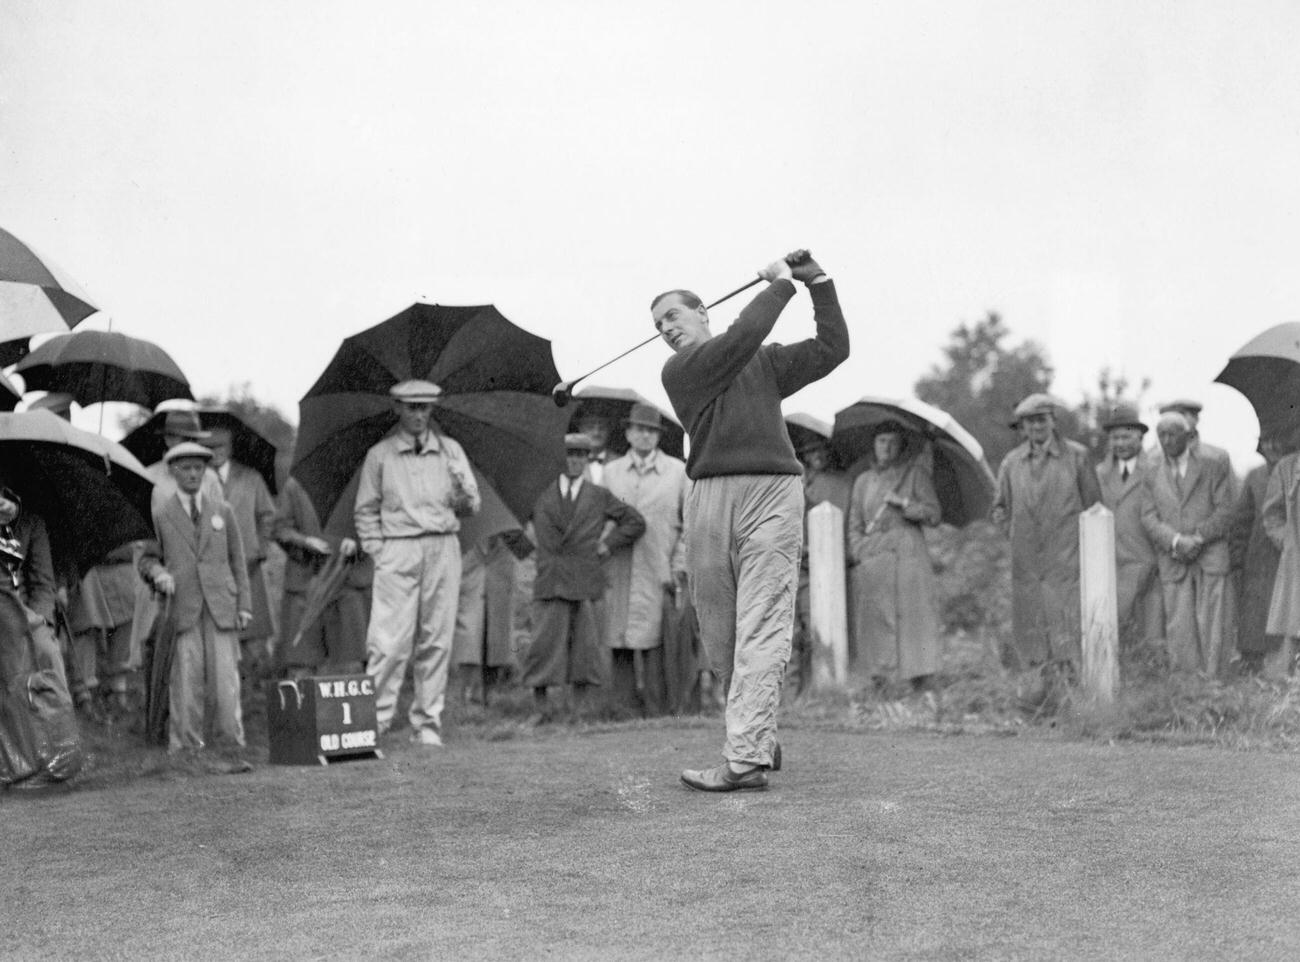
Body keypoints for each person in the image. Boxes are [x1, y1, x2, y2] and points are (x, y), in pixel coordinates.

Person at [656, 249, 848, 792]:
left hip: (773, 491)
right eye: (658, 325)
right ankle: (755, 732)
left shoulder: (761, 360)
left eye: (673, 315)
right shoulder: (682, 370)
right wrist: (780, 286)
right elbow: (743, 338)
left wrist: (818, 285)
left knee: (762, 623)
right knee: (721, 634)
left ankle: (743, 759)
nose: (666, 329)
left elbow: (834, 348)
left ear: (702, 311)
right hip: (709, 497)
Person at [354, 380, 480, 747]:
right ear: (397, 408)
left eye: (425, 407)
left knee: (436, 638)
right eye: (411, 407)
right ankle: (372, 723)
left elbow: (471, 508)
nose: (419, 414)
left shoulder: (450, 450)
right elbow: (365, 510)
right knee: (389, 640)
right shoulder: (381, 455)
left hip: (442, 545)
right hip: (399, 547)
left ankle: (427, 722)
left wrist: (461, 486)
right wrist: (379, 551)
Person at [138, 443, 253, 768]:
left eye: (198, 468)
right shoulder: (160, 514)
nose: (192, 474)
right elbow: (146, 558)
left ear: (206, 472)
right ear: (173, 472)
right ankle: (186, 749)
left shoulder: (222, 511)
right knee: (185, 681)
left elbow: (238, 562)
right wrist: (159, 573)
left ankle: (229, 746)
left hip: (221, 607)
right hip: (183, 609)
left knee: (224, 682)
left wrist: (244, 605)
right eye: (185, 468)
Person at [523, 434, 645, 722]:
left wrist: (607, 545)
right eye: (569, 455)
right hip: (550, 579)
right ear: (559, 458)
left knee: (584, 648)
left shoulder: (598, 495)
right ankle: (540, 710)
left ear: (587, 459)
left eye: (581, 455)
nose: (575, 461)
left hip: (585, 579)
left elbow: (635, 521)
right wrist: (531, 553)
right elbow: (510, 524)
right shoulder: (539, 492)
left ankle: (579, 712)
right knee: (543, 645)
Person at [991, 394, 1102, 672]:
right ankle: (1037, 689)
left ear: (1053, 421)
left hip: (1066, 561)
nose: (1036, 427)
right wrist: (1014, 532)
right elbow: (1000, 507)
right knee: (1031, 631)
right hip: (1027, 563)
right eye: (1029, 422)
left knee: (1068, 626)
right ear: (1022, 427)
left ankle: (1073, 687)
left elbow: (1095, 509)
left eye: (1041, 420)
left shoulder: (1076, 457)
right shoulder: (1011, 463)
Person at [601, 402, 688, 716]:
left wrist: (678, 566)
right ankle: (622, 711)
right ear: (627, 432)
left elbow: (689, 524)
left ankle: (658, 710)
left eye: (651, 430)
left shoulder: (677, 472)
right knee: (619, 636)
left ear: (659, 436)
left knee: (658, 640)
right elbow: (599, 519)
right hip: (619, 568)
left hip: (659, 568)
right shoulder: (610, 474)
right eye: (639, 429)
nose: (645, 436)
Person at [1139, 412, 1237, 675]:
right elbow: (1148, 516)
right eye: (1161, 435)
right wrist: (1175, 541)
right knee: (1179, 626)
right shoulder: (1150, 467)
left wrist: (1198, 538)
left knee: (1214, 626)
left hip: (1210, 555)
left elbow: (1227, 509)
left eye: (1172, 434)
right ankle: (1188, 688)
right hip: (1173, 558)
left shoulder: (1215, 461)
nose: (1166, 440)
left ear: (1189, 436)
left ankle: (1216, 686)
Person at [847, 426, 942, 691]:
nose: (886, 447)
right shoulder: (863, 481)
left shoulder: (914, 475)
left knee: (911, 616)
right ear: (874, 444)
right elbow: (854, 522)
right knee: (876, 619)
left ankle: (919, 681)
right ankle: (881, 681)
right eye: (881, 441)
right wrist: (858, 549)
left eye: (893, 442)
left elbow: (934, 514)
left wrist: (904, 504)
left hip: (907, 554)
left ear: (901, 446)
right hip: (874, 556)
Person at [0, 485, 83, 789]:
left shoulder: (32, 524)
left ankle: (59, 757)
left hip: (24, 616)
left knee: (47, 653)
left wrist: (38, 621)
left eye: (8, 494)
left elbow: (43, 583)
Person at [273, 475, 370, 678]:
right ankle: (302, 709)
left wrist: (356, 543)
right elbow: (280, 529)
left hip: (347, 581)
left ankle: (348, 709)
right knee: (300, 666)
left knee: (351, 667)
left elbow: (375, 520)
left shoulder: (362, 482)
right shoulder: (295, 484)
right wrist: (304, 541)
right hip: (305, 584)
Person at [203, 424, 278, 682]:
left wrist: (261, 549)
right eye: (209, 448)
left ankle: (258, 685)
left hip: (249, 563)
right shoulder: (199, 480)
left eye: (220, 447)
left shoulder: (251, 477)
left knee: (254, 627)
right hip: (213, 566)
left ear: (230, 448)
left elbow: (268, 516)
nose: (215, 453)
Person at [1094, 402, 1163, 651]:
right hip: (1111, 564)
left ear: (1140, 437)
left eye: (1126, 436)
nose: (1120, 443)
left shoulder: (1155, 470)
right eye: (1115, 438)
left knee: (1151, 633)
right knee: (1115, 633)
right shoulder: (1100, 473)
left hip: (1148, 563)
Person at [789, 432, 850, 697]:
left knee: (817, 629)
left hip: (820, 571)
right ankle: (790, 693)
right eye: (811, 452)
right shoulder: (790, 492)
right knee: (789, 636)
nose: (817, 457)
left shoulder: (833, 490)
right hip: (788, 570)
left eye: (821, 451)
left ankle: (815, 690)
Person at [1232, 430, 1288, 674]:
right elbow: (1241, 522)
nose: (1271, 447)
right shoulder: (1256, 476)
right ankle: (1253, 665)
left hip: (1289, 557)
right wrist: (1237, 559)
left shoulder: (1292, 472)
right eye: (1266, 443)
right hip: (1259, 558)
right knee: (1256, 614)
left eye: (1277, 442)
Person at [66, 543, 139, 722]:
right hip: (84, 569)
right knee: (83, 624)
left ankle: (117, 687)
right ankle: (84, 691)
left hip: (122, 564)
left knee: (129, 615)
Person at [451, 532, 522, 705]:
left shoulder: (509, 528)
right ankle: (469, 691)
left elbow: (524, 550)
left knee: (496, 638)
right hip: (469, 582)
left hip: (499, 582)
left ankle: (490, 690)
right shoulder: (464, 527)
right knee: (469, 637)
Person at [1260, 434, 1300, 677]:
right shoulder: (1287, 468)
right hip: (1297, 560)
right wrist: (1287, 542)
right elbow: (1272, 514)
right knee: (1294, 623)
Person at [578, 413, 614, 485]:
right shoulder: (570, 461)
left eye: (602, 428)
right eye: (590, 428)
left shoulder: (620, 462)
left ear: (609, 431)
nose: (596, 433)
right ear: (581, 430)